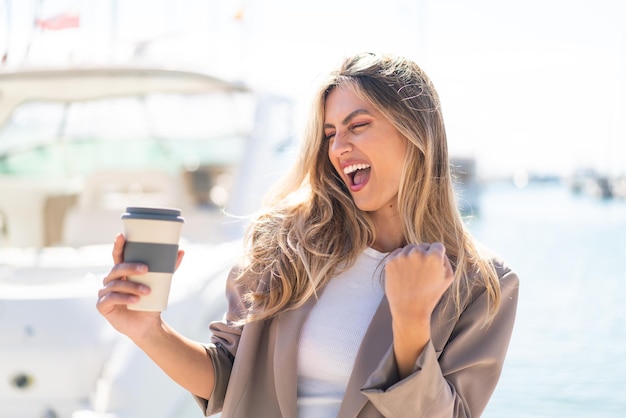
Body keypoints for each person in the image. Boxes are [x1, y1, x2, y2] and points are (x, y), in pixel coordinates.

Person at [97, 52, 519, 418]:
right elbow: (228, 381)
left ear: (414, 132)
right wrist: (148, 330)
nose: (338, 148)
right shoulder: (285, 244)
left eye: (358, 125)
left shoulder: (482, 284)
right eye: (331, 134)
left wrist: (411, 325)